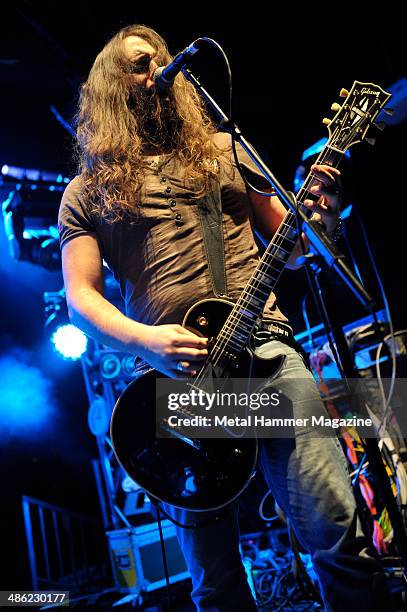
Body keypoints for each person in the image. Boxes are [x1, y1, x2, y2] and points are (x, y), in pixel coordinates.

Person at [58, 24, 396, 612]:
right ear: (111, 86)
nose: (157, 72)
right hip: (184, 386)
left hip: (266, 355)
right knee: (214, 577)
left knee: (335, 526)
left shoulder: (224, 149)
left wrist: (325, 211)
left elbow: (293, 247)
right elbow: (80, 299)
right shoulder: (87, 192)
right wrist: (147, 342)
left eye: (162, 62)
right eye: (139, 65)